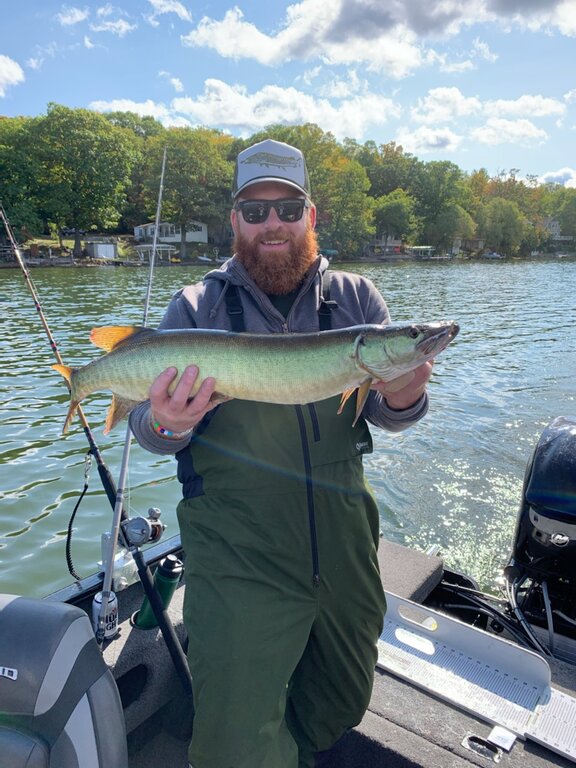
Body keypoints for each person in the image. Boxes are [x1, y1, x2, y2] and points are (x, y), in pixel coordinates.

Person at [129, 138, 433, 768]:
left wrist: (404, 396)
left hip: (344, 539)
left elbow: (386, 414)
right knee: (235, 745)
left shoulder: (357, 301)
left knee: (340, 702)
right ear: (235, 220)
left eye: (288, 210)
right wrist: (166, 422)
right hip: (240, 550)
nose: (274, 224)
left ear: (311, 217)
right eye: (256, 209)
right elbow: (148, 428)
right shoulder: (195, 307)